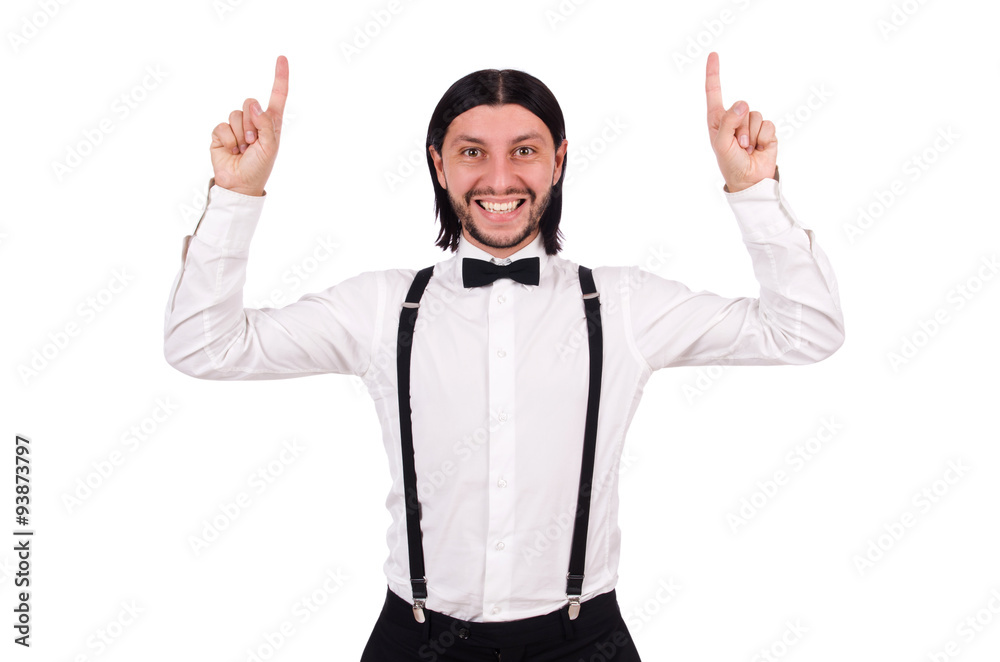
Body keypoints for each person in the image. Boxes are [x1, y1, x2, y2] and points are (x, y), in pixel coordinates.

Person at [163, 52, 845, 661]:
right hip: (416, 638)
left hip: (582, 638)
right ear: (438, 163)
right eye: (471, 152)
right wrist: (236, 197)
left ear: (559, 160)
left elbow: (805, 331)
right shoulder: (383, 307)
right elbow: (204, 345)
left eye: (524, 150)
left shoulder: (623, 305)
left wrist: (755, 191)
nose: (499, 178)